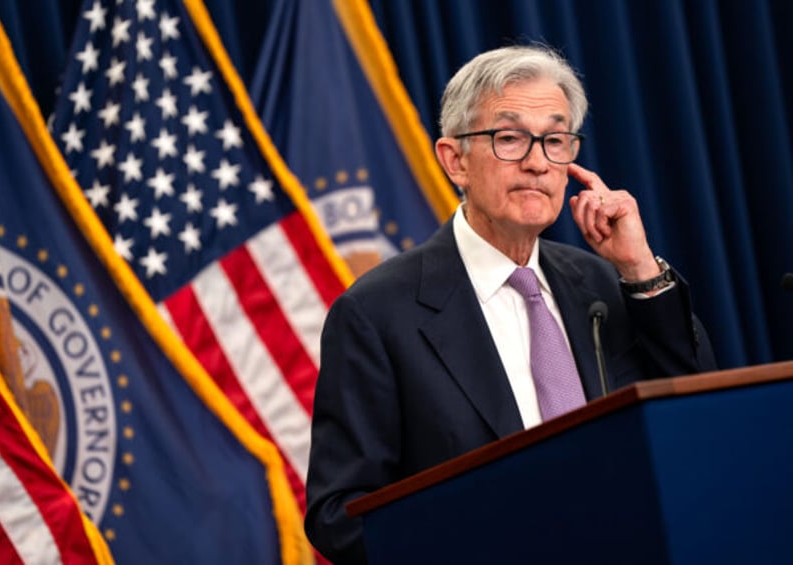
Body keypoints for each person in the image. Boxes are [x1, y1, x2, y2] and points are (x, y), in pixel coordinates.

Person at [304, 44, 717, 564]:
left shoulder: (601, 281)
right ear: (455, 161)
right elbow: (340, 514)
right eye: (509, 139)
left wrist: (639, 270)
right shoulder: (377, 313)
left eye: (556, 139)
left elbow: (696, 408)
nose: (538, 163)